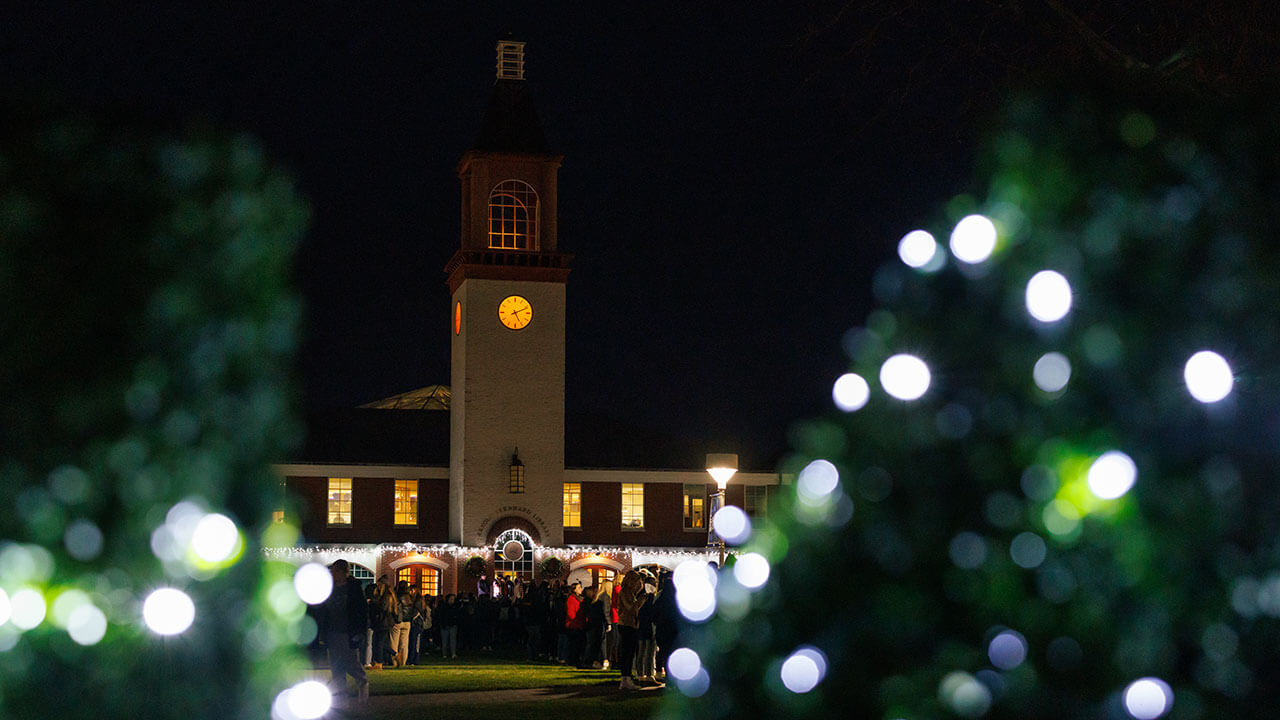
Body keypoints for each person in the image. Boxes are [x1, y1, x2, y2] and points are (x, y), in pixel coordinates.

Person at [319, 560, 369, 702]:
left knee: (351, 662)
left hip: (348, 632)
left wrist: (360, 631)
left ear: (343, 572)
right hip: (332, 631)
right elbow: (324, 610)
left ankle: (363, 682)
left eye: (335, 571)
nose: (332, 574)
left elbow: (362, 611)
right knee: (336, 665)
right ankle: (341, 696)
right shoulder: (330, 588)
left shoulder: (353, 588)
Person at [615, 569, 644, 690]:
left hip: (630, 624)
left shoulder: (630, 593)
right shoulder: (625, 592)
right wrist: (640, 601)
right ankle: (625, 678)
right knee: (627, 652)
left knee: (629, 652)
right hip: (626, 625)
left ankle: (627, 677)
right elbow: (630, 608)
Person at [563, 581, 587, 667]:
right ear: (574, 590)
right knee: (573, 644)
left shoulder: (579, 599)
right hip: (573, 625)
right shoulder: (571, 599)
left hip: (579, 624)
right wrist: (577, 619)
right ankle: (571, 660)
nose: (581, 589)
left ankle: (575, 659)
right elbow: (571, 613)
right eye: (579, 588)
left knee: (577, 644)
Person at [439, 594, 460, 659]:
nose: (452, 600)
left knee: (452, 640)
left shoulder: (455, 606)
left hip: (452, 625)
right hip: (446, 625)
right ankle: (445, 654)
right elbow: (441, 616)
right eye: (451, 599)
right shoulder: (444, 606)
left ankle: (453, 653)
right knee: (445, 641)